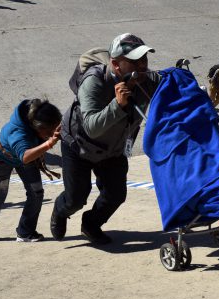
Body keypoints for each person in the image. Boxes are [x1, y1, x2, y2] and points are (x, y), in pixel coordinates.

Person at [50, 33, 159, 245]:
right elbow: (91, 127)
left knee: (116, 195)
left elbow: (171, 87)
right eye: (135, 61)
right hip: (79, 146)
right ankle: (60, 211)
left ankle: (90, 224)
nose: (143, 65)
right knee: (75, 199)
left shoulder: (146, 80)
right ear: (116, 64)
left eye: (144, 59)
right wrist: (117, 105)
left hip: (113, 150)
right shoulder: (94, 81)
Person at [0, 98, 62, 243]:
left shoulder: (37, 113)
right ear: (37, 127)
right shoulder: (18, 133)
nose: (51, 134)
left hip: (26, 155)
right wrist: (49, 143)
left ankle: (25, 232)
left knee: (36, 192)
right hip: (2, 159)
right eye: (48, 132)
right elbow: (25, 157)